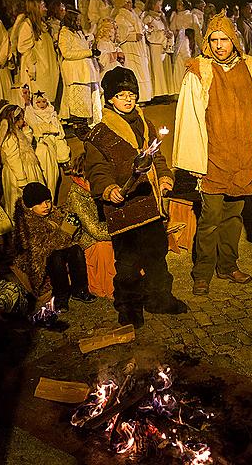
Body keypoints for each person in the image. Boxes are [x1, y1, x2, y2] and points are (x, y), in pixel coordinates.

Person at [173, 12, 252, 295]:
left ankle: (228, 265)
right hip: (213, 159)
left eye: (224, 40)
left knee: (233, 217)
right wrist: (194, 160)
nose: (219, 45)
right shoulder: (200, 71)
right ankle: (202, 271)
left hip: (241, 158)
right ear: (207, 43)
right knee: (210, 219)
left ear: (234, 41)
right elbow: (189, 117)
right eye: (213, 40)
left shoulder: (251, 68)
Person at [85, 66, 187, 328]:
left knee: (156, 255)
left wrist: (164, 177)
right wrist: (108, 189)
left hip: (149, 204)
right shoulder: (99, 134)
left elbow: (157, 158)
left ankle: (159, 299)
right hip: (123, 209)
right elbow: (97, 170)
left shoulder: (145, 123)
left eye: (131, 93)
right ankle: (128, 308)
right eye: (121, 94)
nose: (128, 99)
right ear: (110, 99)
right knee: (128, 264)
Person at [13, 182, 97, 312]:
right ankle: (61, 296)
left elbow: (72, 238)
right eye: (40, 203)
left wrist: (74, 226)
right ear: (30, 207)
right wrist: (66, 232)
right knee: (56, 257)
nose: (46, 206)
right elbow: (44, 247)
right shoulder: (26, 223)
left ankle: (79, 290)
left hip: (56, 249)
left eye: (48, 201)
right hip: (38, 260)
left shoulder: (55, 213)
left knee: (76, 250)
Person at [65, 153, 115, 298]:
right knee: (104, 247)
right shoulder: (77, 195)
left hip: (104, 228)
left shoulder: (99, 189)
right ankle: (108, 287)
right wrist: (117, 231)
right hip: (85, 237)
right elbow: (94, 230)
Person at [0, 104, 44, 218]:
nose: (23, 120)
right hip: (18, 175)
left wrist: (26, 131)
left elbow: (25, 145)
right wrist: (22, 181)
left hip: (23, 169)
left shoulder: (17, 133)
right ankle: (20, 226)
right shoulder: (10, 136)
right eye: (21, 118)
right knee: (18, 202)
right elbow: (13, 159)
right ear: (14, 119)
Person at [22, 88, 70, 200]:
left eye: (44, 101)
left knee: (54, 174)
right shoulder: (32, 114)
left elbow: (58, 130)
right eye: (38, 102)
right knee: (46, 174)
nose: (41, 104)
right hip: (43, 145)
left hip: (54, 143)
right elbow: (30, 119)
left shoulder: (52, 113)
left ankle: (51, 199)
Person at [58, 7, 102, 126]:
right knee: (80, 102)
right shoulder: (64, 33)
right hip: (76, 73)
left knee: (92, 100)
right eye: (77, 20)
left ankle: (93, 123)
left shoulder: (79, 33)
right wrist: (88, 53)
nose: (78, 22)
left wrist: (92, 51)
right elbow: (66, 53)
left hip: (87, 72)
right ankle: (79, 124)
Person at [17, 0, 59, 103]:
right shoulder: (27, 25)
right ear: (35, 8)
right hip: (38, 69)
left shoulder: (43, 25)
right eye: (43, 6)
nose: (45, 9)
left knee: (48, 99)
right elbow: (24, 47)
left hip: (47, 68)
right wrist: (32, 66)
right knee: (39, 100)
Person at [113, 0, 153, 103]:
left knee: (142, 71)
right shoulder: (120, 17)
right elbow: (120, 35)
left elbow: (139, 27)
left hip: (139, 48)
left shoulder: (134, 15)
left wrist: (146, 28)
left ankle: (144, 96)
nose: (130, 5)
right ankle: (134, 96)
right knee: (133, 71)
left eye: (130, 2)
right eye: (128, 2)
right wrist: (132, 36)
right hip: (129, 48)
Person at [143, 0, 174, 99]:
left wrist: (169, 35)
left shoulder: (161, 18)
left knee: (163, 70)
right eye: (159, 5)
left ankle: (166, 92)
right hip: (155, 47)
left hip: (163, 47)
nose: (160, 7)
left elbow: (165, 30)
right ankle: (158, 94)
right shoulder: (148, 18)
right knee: (157, 70)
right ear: (153, 6)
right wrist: (162, 34)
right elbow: (149, 35)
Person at [170, 0, 202, 93]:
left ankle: (190, 88)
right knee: (179, 65)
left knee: (189, 62)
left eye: (180, 4)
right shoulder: (176, 16)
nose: (178, 6)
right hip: (179, 43)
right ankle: (178, 90)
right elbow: (172, 29)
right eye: (177, 4)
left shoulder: (192, 16)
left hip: (189, 42)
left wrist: (200, 46)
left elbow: (197, 32)